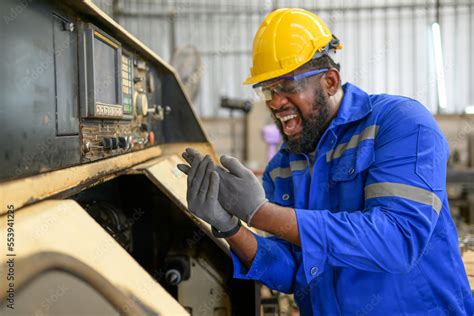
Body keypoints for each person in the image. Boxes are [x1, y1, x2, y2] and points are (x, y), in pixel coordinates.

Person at [177, 8, 473, 315]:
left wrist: (261, 214)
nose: (275, 102)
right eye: (268, 90)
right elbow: (294, 270)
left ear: (330, 81)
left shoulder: (399, 123)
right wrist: (230, 228)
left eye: (288, 86)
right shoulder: (283, 165)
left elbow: (397, 241)